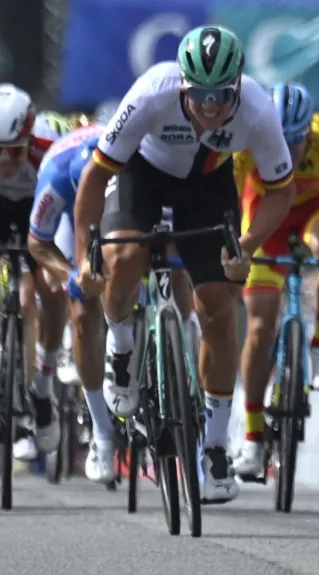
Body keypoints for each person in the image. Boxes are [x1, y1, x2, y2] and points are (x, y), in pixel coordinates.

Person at [72, 25, 297, 503]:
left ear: (238, 83)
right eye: (200, 94)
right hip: (142, 175)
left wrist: (249, 244)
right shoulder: (152, 91)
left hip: (207, 187)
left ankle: (215, 447)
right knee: (125, 256)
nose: (211, 106)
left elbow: (282, 190)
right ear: (182, 84)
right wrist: (82, 255)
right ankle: (122, 345)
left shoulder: (257, 108)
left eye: (222, 94)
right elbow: (94, 176)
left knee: (218, 305)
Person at [234, 82, 319, 477]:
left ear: (309, 135)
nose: (289, 153)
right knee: (260, 327)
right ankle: (252, 437)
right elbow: (229, 199)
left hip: (313, 211)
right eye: (280, 142)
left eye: (297, 142)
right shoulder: (245, 144)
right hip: (265, 218)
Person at [28, 124, 119, 482]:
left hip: (120, 198)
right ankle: (101, 431)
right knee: (80, 306)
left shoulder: (131, 160)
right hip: (70, 218)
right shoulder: (57, 178)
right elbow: (39, 245)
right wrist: (70, 276)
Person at [0, 84, 72, 462]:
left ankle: (41, 388)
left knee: (49, 289)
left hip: (37, 211)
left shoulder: (48, 150)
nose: (5, 161)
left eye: (13, 150)